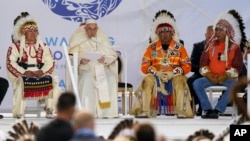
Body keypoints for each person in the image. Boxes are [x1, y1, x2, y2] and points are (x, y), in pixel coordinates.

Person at [130, 10, 193, 118]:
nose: (165, 34)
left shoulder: (180, 48)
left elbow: (187, 66)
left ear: (172, 33)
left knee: (181, 82)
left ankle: (182, 111)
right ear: (158, 33)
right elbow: (144, 66)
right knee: (146, 81)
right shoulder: (151, 47)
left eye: (167, 32)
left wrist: (173, 73)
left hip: (175, 76)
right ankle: (144, 110)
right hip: (156, 75)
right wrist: (156, 72)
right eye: (162, 32)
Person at [193, 9, 247, 119]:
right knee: (197, 83)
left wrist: (225, 75)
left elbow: (238, 67)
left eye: (219, 30)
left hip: (227, 78)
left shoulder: (235, 48)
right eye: (216, 30)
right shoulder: (210, 45)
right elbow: (203, 64)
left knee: (234, 85)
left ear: (227, 31)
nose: (216, 32)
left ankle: (218, 110)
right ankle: (207, 109)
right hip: (211, 77)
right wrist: (208, 74)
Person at [6, 12, 60, 119]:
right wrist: (24, 72)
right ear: (23, 32)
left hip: (39, 72)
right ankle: (19, 113)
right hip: (23, 73)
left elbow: (50, 61)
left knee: (52, 80)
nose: (33, 33)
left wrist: (42, 71)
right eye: (30, 31)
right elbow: (10, 63)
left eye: (35, 31)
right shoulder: (15, 46)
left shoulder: (43, 46)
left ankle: (50, 110)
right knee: (21, 82)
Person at [68, 19, 118, 118]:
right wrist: (80, 60)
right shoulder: (78, 39)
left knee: (111, 78)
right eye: (89, 29)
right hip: (87, 68)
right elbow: (70, 56)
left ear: (97, 29)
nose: (92, 32)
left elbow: (112, 55)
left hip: (102, 68)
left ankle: (107, 113)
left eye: (94, 29)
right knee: (87, 79)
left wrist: (105, 60)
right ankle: (87, 112)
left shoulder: (102, 38)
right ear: (85, 29)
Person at [187, 25, 214, 116]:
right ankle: (194, 105)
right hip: (200, 73)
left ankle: (204, 107)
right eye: (209, 37)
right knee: (190, 81)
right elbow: (192, 65)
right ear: (205, 35)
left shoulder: (221, 47)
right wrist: (203, 70)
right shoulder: (197, 46)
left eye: (213, 37)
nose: (211, 39)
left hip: (215, 74)